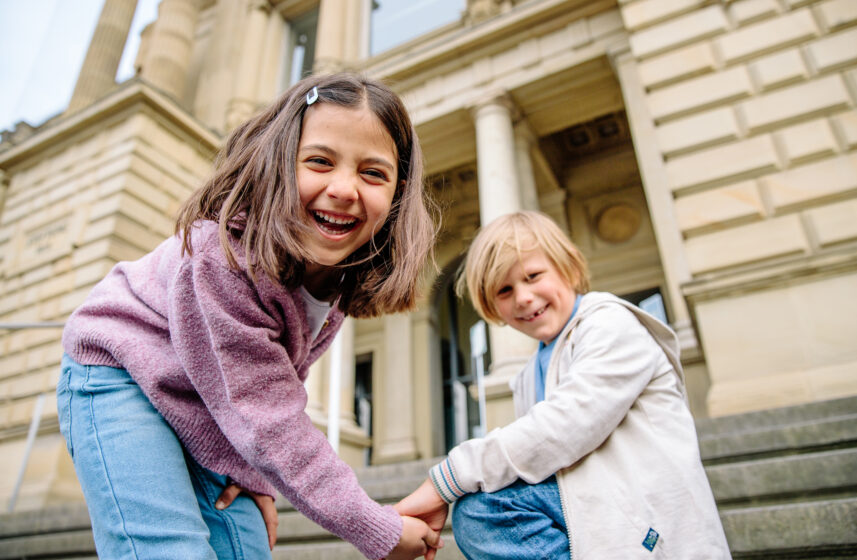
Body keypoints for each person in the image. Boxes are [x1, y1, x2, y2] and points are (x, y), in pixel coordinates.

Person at [58, 73, 442, 560]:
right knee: (168, 549)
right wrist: (376, 526)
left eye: (373, 173)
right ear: (280, 163)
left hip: (205, 401)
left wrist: (255, 475)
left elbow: (269, 382)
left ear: (397, 194)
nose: (345, 189)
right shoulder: (226, 258)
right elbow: (267, 414)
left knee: (247, 545)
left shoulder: (337, 277)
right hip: (120, 375)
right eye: (320, 162)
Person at [396, 211, 731, 559]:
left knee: (483, 511)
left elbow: (564, 427)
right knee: (481, 509)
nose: (523, 297)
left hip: (651, 528)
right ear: (491, 304)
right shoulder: (528, 375)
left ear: (568, 268)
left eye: (533, 276)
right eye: (505, 290)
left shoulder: (610, 325)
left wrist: (447, 480)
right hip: (595, 515)